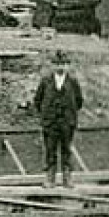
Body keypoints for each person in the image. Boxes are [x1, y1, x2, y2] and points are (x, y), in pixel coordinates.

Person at [33, 51, 84, 187]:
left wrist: (69, 114)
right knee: (50, 150)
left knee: (66, 150)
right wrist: (47, 115)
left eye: (64, 64)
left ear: (68, 66)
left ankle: (67, 178)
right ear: (52, 66)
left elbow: (79, 101)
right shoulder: (46, 81)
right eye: (57, 64)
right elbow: (38, 101)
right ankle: (50, 178)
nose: (60, 67)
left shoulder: (72, 82)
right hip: (50, 123)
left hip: (67, 123)